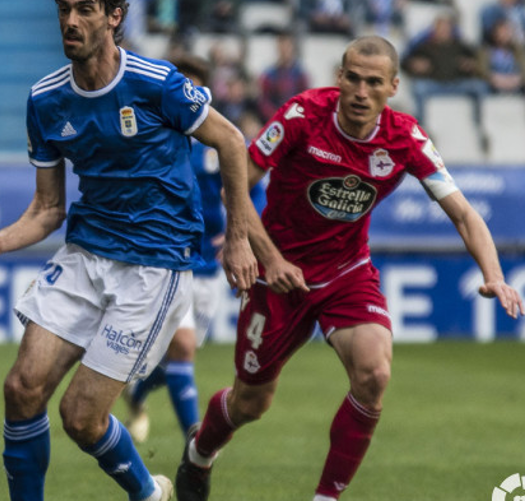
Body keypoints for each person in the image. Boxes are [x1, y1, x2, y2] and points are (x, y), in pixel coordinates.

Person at [0, 0, 258, 500]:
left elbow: (230, 140)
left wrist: (239, 238)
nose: (71, 20)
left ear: (114, 17)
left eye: (85, 9)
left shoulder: (157, 83)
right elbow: (48, 208)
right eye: (64, 8)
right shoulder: (46, 100)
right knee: (21, 389)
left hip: (154, 267)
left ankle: (147, 493)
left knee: (80, 418)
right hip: (86, 255)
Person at [175, 35, 525, 501]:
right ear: (339, 78)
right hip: (276, 274)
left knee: (374, 373)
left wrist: (495, 275)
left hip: (345, 273)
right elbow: (236, 187)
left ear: (393, 86)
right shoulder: (302, 115)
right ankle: (200, 453)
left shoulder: (405, 138)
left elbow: (463, 213)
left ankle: (326, 498)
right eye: (354, 79)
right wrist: (267, 256)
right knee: (251, 403)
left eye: (374, 83)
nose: (361, 91)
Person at [122, 55, 266, 445]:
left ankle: (136, 394)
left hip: (209, 264)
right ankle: (194, 439)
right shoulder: (151, 136)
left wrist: (240, 233)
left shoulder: (218, 138)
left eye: (194, 85)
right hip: (165, 258)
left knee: (176, 359)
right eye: (179, 85)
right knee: (182, 348)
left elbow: (253, 191)